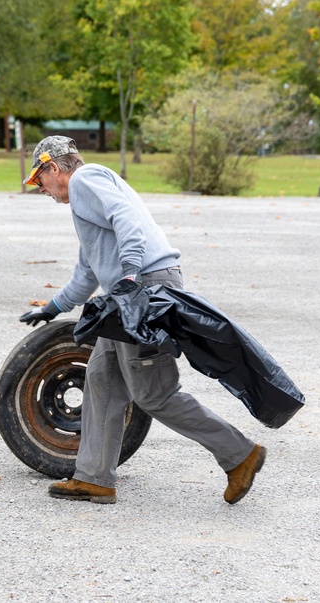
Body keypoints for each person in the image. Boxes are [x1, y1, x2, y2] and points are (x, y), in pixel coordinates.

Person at [19, 136, 266, 505]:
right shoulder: (85, 201)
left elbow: (127, 218)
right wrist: (53, 307)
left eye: (39, 179)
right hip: (126, 295)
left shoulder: (87, 179)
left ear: (54, 168)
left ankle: (239, 453)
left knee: (154, 392)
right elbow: (88, 269)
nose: (41, 189)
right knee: (102, 380)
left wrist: (132, 271)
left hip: (142, 290)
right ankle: (94, 478)